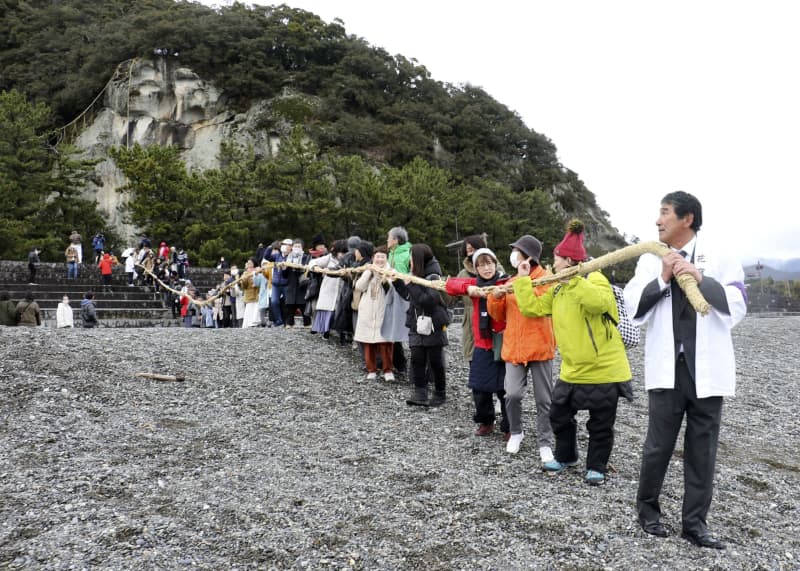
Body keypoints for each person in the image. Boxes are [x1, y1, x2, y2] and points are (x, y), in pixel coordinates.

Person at [624, 191, 746, 549]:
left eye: (664, 213)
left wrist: (700, 278)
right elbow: (633, 305)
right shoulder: (649, 260)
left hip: (708, 371)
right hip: (667, 369)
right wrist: (663, 278)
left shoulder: (721, 255)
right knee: (657, 446)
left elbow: (738, 303)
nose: (658, 220)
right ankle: (648, 512)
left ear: (687, 218)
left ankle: (695, 524)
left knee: (702, 449)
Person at [513, 220, 633, 485]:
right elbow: (532, 308)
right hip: (572, 369)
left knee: (600, 423)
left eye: (556, 260)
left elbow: (599, 303)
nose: (553, 265)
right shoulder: (557, 288)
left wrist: (575, 280)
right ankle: (567, 456)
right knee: (558, 414)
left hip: (605, 369)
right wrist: (522, 280)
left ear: (567, 261)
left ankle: (597, 467)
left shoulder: (596, 279)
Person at [487, 235, 557, 459]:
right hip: (514, 347)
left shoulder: (546, 279)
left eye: (517, 250)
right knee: (513, 394)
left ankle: (545, 442)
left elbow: (538, 308)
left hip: (540, 346)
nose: (513, 255)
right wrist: (495, 298)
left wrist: (525, 279)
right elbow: (498, 315)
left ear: (529, 255)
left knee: (544, 399)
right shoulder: (510, 281)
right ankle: (516, 431)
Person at [446, 247, 509, 436]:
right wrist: (469, 288)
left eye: (489, 263)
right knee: (479, 387)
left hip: (503, 343)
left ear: (495, 263)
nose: (486, 268)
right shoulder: (475, 283)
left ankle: (509, 427)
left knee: (505, 389)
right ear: (476, 268)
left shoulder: (505, 282)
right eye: (481, 265)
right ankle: (486, 421)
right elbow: (450, 284)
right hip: (482, 344)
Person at [391, 244, 450, 407]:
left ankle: (440, 393)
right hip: (416, 322)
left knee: (435, 361)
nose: (409, 261)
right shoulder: (416, 273)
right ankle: (420, 393)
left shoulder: (433, 276)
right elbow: (411, 297)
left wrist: (409, 284)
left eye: (411, 257)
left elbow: (428, 301)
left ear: (417, 258)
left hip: (433, 324)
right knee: (416, 359)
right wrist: (397, 282)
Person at [354, 245, 394, 381]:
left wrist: (384, 277)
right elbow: (358, 287)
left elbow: (392, 290)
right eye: (378, 256)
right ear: (373, 258)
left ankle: (388, 370)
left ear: (386, 258)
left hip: (384, 310)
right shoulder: (368, 270)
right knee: (368, 342)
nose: (380, 259)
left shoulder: (391, 271)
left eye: (383, 257)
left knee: (385, 343)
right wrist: (368, 273)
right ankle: (371, 369)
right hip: (368, 310)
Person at [309, 240, 348, 338]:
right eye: (340, 252)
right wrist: (316, 267)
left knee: (338, 310)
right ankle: (325, 331)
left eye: (344, 252)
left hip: (341, 289)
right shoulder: (329, 258)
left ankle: (340, 332)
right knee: (328, 311)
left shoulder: (348, 260)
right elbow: (313, 262)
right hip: (328, 288)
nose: (342, 255)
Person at [387, 226, 412, 375]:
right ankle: (400, 364)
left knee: (409, 329)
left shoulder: (409, 253)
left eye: (389, 237)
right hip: (392, 294)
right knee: (393, 327)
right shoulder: (390, 254)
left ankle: (416, 367)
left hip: (406, 295)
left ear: (396, 240)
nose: (387, 240)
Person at [284, 239, 311, 327]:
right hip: (291, 285)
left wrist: (302, 267)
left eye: (299, 246)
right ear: (292, 247)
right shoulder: (288, 257)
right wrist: (285, 267)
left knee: (303, 305)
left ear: (302, 248)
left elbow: (308, 272)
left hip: (302, 285)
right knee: (289, 306)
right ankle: (288, 324)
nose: (297, 248)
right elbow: (284, 275)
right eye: (295, 246)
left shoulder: (306, 258)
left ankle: (307, 324)